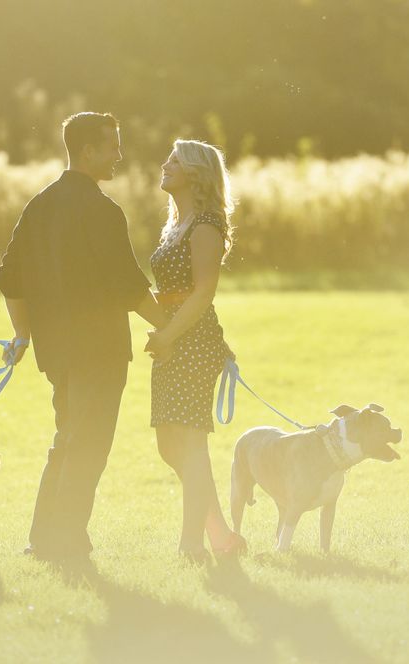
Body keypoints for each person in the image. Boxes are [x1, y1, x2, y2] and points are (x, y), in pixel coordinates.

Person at [0, 112, 169, 562]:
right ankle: (65, 541)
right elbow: (129, 287)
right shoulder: (103, 210)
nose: (119, 155)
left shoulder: (39, 205)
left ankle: (47, 537)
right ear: (87, 151)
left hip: (57, 351)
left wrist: (22, 333)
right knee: (87, 445)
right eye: (112, 146)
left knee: (68, 439)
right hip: (100, 351)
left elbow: (8, 277)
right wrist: (172, 324)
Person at [143, 139, 247, 563]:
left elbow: (203, 293)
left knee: (189, 443)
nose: (165, 164)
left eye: (175, 160)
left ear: (197, 173)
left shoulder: (206, 224)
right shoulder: (177, 223)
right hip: (174, 339)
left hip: (194, 342)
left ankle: (193, 545)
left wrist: (167, 336)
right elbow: (173, 292)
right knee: (170, 445)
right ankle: (222, 534)